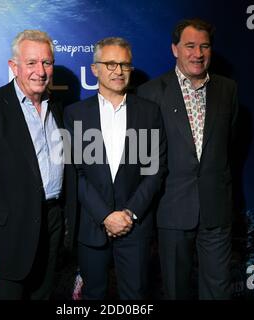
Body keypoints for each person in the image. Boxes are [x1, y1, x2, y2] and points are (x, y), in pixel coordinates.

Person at [0, 30, 75, 300]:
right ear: (14, 67)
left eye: (47, 63)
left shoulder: (59, 107)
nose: (41, 71)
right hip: (8, 241)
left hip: (53, 227)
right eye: (32, 63)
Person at [137, 18, 239, 300]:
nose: (198, 54)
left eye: (204, 46)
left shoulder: (227, 90)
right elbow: (146, 157)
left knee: (218, 290)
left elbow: (228, 144)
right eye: (190, 46)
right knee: (175, 290)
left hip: (215, 207)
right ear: (175, 49)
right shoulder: (150, 93)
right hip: (172, 208)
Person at [64, 37, 167, 300]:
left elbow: (155, 170)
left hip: (136, 228)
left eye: (124, 64)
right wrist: (104, 215)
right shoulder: (74, 114)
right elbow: (74, 173)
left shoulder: (149, 112)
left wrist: (129, 214)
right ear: (95, 69)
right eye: (110, 64)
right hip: (91, 227)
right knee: (93, 296)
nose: (118, 71)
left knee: (136, 297)